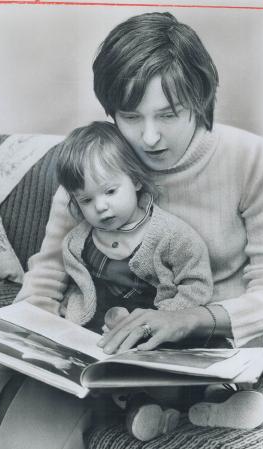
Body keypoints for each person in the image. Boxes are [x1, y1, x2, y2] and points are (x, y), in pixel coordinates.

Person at [0, 11, 263, 449]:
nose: (149, 137)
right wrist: (30, 339)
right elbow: (46, 272)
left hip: (198, 361)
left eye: (169, 114)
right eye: (129, 116)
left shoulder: (254, 160)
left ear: (200, 97)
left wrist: (189, 319)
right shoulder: (97, 163)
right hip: (96, 346)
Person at [55, 120, 213, 440]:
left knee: (171, 378)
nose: (100, 206)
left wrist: (165, 319)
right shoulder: (78, 242)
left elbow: (197, 285)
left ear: (136, 181)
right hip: (104, 345)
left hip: (155, 338)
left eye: (110, 191)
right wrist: (65, 320)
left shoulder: (170, 235)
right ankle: (146, 411)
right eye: (86, 200)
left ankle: (214, 401)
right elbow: (77, 288)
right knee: (94, 388)